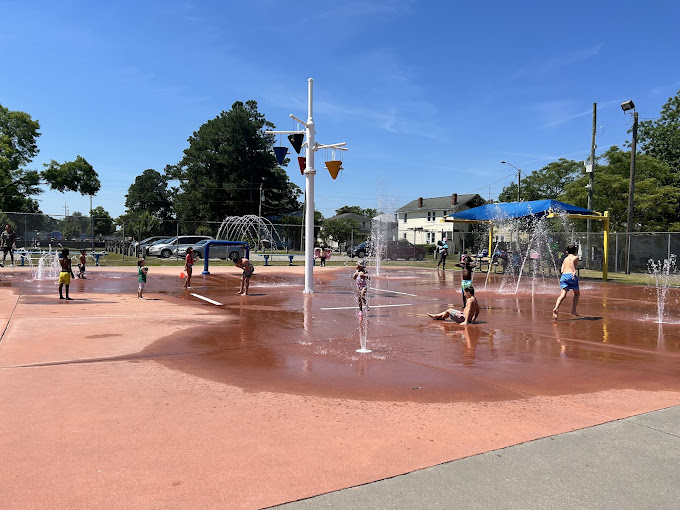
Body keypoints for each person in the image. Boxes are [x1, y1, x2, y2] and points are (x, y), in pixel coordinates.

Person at [553, 244, 580, 319]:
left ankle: (556, 308)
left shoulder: (565, 259)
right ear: (575, 251)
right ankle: (573, 310)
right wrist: (574, 271)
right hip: (571, 276)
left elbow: (561, 270)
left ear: (567, 252)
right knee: (577, 293)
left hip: (564, 276)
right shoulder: (575, 257)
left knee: (562, 295)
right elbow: (572, 262)